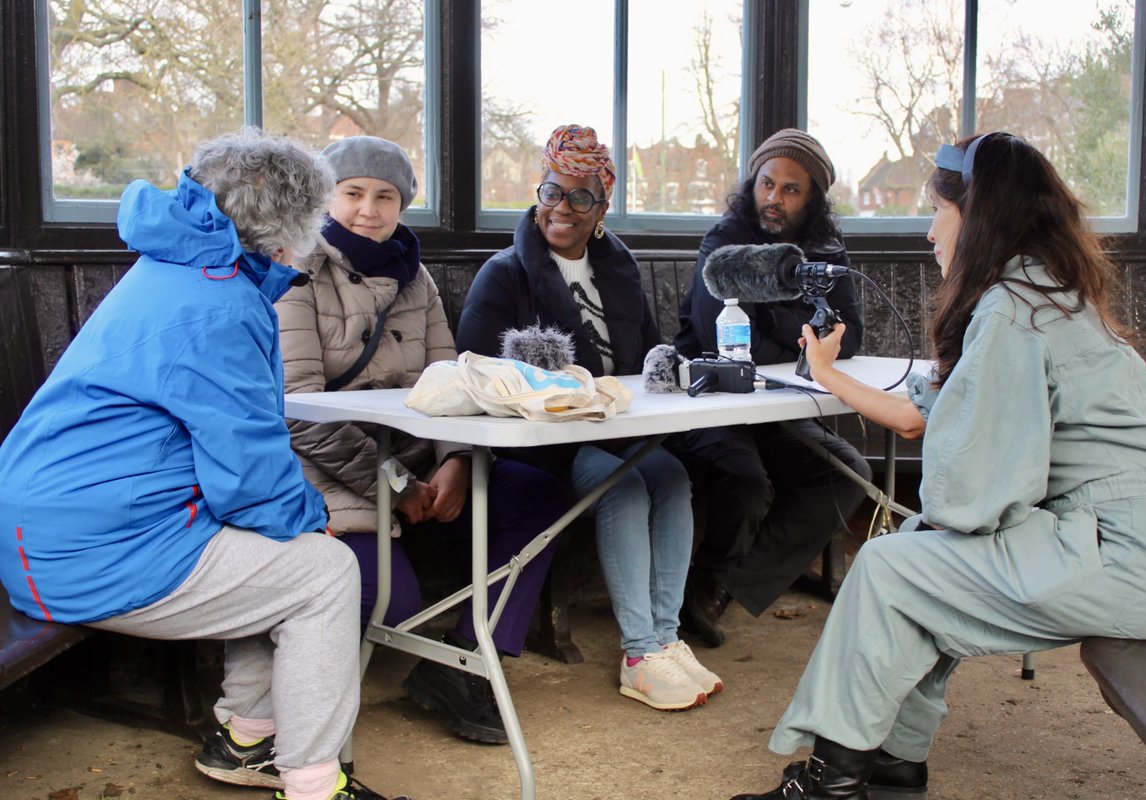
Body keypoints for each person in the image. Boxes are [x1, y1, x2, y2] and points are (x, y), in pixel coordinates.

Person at [727, 132, 1146, 800]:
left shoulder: (1010, 309)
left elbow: (969, 499)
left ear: (972, 215)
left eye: (936, 210)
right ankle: (889, 766)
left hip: (1135, 553)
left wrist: (940, 482)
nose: (928, 232)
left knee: (890, 566)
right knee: (921, 563)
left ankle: (833, 786)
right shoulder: (1053, 290)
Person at [0, 129, 405, 800]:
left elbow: (238, 475)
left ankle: (244, 739)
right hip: (84, 550)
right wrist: (310, 522)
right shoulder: (220, 301)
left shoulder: (175, 265)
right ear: (291, 225)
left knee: (278, 547)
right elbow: (247, 472)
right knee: (325, 571)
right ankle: (312, 785)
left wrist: (291, 522)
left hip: (46, 529)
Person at [275, 135, 569, 746]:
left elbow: (452, 384)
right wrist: (397, 486)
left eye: (386, 196)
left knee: (537, 497)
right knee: (396, 604)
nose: (368, 210)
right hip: (326, 475)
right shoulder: (295, 271)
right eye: (353, 193)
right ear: (328, 197)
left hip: (413, 465)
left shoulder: (418, 280)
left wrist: (457, 462)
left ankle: (462, 665)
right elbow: (297, 413)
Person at [455, 124, 721, 712]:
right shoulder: (505, 274)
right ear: (537, 192)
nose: (562, 208)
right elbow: (474, 370)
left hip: (616, 426)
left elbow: (644, 361)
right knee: (622, 486)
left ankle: (666, 638)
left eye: (580, 196)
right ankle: (638, 653)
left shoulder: (617, 272)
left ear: (602, 206)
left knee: (673, 477)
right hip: (543, 440)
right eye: (553, 191)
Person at [670, 128, 872, 648]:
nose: (774, 198)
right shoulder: (725, 243)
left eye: (791, 189)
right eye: (767, 184)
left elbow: (847, 335)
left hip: (781, 407)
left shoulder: (825, 248)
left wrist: (769, 323)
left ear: (813, 198)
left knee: (849, 473)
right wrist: (798, 328)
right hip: (715, 404)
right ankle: (708, 581)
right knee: (746, 479)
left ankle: (722, 585)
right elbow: (728, 339)